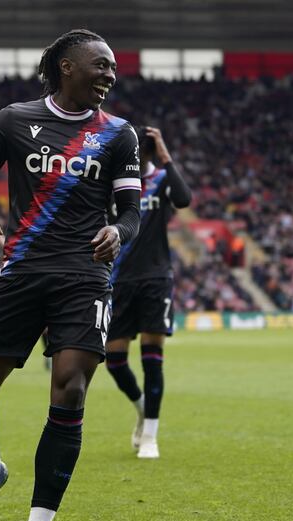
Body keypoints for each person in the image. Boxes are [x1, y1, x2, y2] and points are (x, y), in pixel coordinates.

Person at [0, 29, 141, 521]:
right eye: (101, 65)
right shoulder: (14, 119)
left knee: (70, 387)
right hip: (24, 270)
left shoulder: (119, 135)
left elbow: (131, 211)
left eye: (113, 67)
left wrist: (119, 231)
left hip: (85, 274)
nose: (110, 74)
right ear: (66, 67)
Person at [105, 126, 191, 459]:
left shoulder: (161, 179)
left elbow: (183, 199)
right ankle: (142, 408)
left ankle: (151, 435)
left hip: (156, 277)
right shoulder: (115, 184)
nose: (137, 160)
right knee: (114, 361)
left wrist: (166, 156)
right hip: (119, 279)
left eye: (142, 155)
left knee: (152, 360)